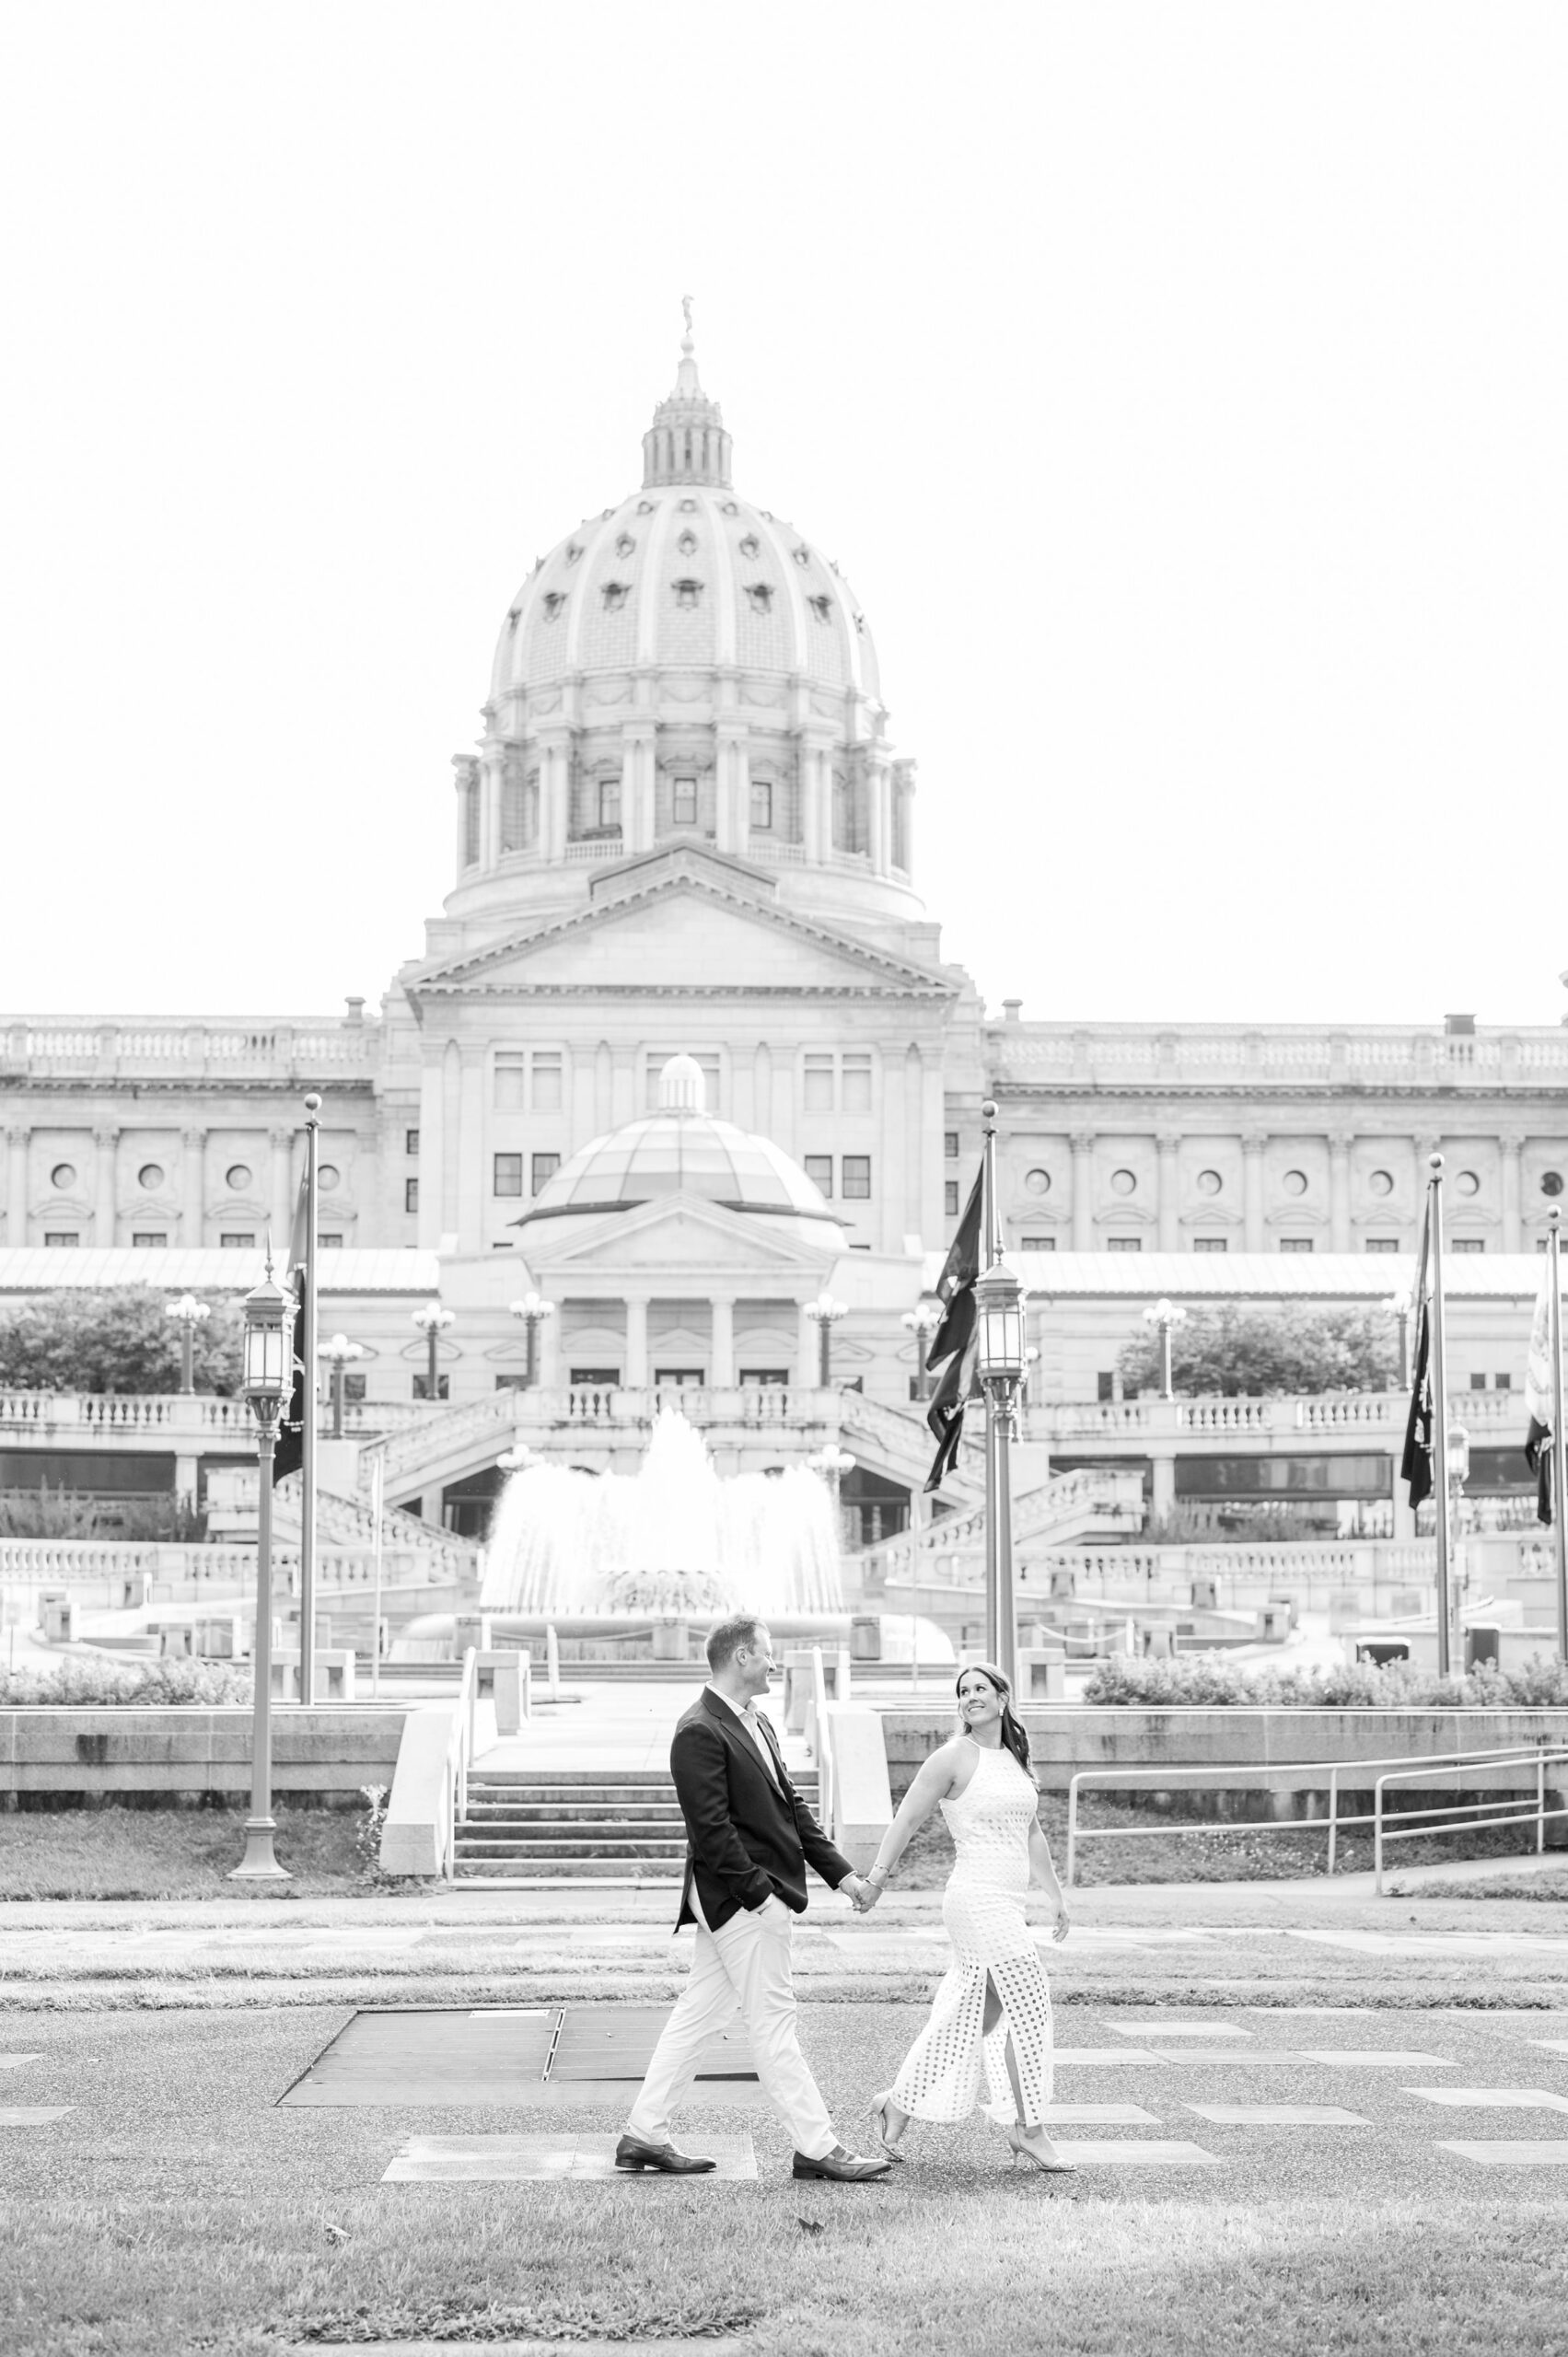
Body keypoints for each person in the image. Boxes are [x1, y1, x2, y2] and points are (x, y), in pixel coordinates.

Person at [616, 1613, 892, 2183]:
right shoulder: (698, 1730)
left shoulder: (757, 1722)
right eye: (767, 1653)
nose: (775, 1662)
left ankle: (644, 2134)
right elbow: (711, 1832)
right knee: (774, 2024)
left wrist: (846, 1878)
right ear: (741, 1657)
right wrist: (760, 1897)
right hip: (740, 1903)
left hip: (747, 1900)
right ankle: (817, 2147)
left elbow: (793, 1809)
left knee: (698, 2016)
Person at [858, 1660, 1074, 2173]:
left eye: (980, 1688)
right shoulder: (953, 1757)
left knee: (982, 2016)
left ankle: (897, 2100)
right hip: (975, 1900)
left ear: (1003, 1699)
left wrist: (1055, 1895)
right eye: (963, 1691)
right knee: (1031, 2004)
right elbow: (907, 1817)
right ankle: (1031, 2129)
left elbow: (1031, 1832)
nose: (970, 1696)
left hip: (1009, 1901)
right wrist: (876, 1879)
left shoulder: (1015, 1760)